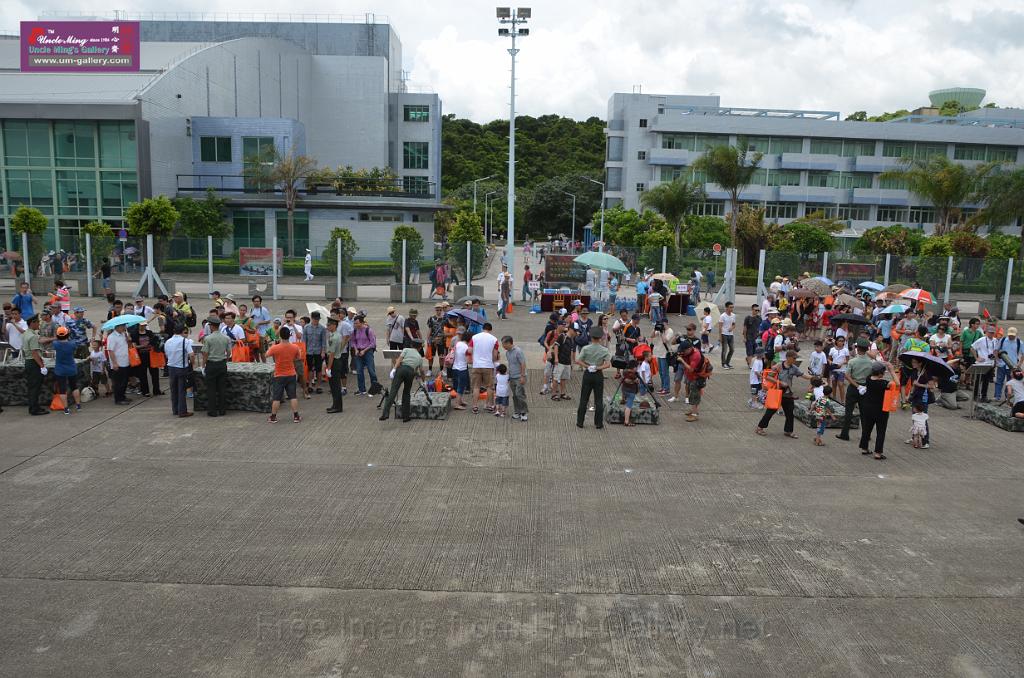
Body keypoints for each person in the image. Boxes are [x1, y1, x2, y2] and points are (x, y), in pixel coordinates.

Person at [755, 350, 808, 437]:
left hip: (788, 394)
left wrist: (814, 378)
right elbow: (768, 377)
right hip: (777, 392)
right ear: (788, 358)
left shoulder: (793, 368)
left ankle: (788, 431)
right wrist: (780, 382)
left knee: (790, 413)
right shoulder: (778, 366)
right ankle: (759, 428)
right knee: (770, 411)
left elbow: (803, 375)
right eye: (794, 358)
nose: (795, 360)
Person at [836, 339, 873, 441]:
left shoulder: (853, 361)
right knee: (864, 413)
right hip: (865, 388)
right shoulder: (871, 363)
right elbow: (871, 376)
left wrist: (857, 386)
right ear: (867, 349)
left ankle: (845, 434)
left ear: (857, 348)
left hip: (853, 388)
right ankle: (866, 435)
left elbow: (847, 376)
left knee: (849, 412)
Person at [859, 361, 897, 460]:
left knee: (867, 428)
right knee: (881, 431)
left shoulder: (868, 379)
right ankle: (878, 452)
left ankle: (864, 448)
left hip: (867, 408)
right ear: (881, 373)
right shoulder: (884, 383)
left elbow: (874, 376)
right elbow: (897, 383)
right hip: (881, 410)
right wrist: (892, 370)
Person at [576, 326, 611, 429]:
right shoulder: (604, 350)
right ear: (600, 338)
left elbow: (578, 360)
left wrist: (588, 366)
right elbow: (608, 364)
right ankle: (598, 423)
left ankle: (580, 422)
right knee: (598, 399)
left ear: (591, 337)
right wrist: (598, 367)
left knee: (584, 399)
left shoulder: (586, 348)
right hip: (598, 374)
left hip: (588, 374)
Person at [379, 344, 426, 422]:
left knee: (393, 392)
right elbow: (422, 371)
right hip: (410, 372)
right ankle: (406, 417)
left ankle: (385, 414)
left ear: (412, 345)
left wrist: (394, 369)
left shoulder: (406, 350)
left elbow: (399, 360)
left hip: (401, 370)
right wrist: (424, 382)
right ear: (420, 347)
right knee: (406, 394)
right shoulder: (419, 357)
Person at [266, 326, 302, 423]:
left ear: (280, 336)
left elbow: (266, 355)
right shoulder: (295, 347)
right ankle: (296, 416)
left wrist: (272, 345)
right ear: (290, 336)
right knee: (293, 396)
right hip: (291, 374)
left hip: (279, 375)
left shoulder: (275, 348)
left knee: (276, 397)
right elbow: (298, 357)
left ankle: (273, 417)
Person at [198, 315, 230, 417]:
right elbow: (229, 352)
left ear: (211, 326)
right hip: (222, 364)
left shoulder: (208, 338)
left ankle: (212, 411)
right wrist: (226, 360)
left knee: (211, 389)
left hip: (211, 365)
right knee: (222, 388)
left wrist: (203, 366)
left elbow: (205, 354)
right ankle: (222, 410)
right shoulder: (226, 338)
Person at [162, 323, 195, 417]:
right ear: (182, 331)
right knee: (181, 390)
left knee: (173, 390)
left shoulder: (168, 341)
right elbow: (191, 354)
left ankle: (175, 409)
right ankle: (182, 411)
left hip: (171, 367)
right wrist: (192, 363)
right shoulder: (185, 341)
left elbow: (167, 354)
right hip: (181, 367)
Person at [468, 322, 499, 413]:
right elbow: (495, 355)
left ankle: (475, 406)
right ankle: (489, 405)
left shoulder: (474, 337)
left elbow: (469, 350)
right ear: (491, 330)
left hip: (476, 365)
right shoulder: (494, 339)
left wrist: (474, 358)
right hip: (488, 365)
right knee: (489, 387)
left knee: (476, 387)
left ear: (482, 328)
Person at [21, 315, 48, 416]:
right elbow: (34, 353)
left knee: (32, 386)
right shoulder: (32, 336)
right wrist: (42, 366)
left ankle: (34, 406)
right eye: (37, 322)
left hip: (29, 362)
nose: (39, 324)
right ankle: (34, 409)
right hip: (33, 363)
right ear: (32, 323)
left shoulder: (25, 333)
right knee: (35, 387)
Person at [678, 340, 709, 422]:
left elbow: (691, 369)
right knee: (693, 393)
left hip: (697, 378)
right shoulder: (689, 352)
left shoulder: (696, 355)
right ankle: (693, 410)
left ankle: (694, 415)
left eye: (684, 350)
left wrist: (682, 360)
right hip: (692, 377)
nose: (682, 352)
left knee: (694, 395)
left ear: (689, 349)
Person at [351, 315, 380, 396]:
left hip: (368, 351)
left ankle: (374, 389)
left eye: (357, 323)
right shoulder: (354, 331)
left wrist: (364, 350)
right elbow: (353, 341)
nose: (355, 325)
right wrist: (356, 349)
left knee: (371, 370)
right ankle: (362, 389)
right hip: (358, 351)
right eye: (355, 323)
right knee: (359, 371)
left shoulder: (368, 330)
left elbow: (373, 343)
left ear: (362, 322)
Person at [502, 335, 528, 421]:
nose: (503, 346)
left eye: (504, 344)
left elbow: (523, 364)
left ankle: (523, 412)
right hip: (512, 376)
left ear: (509, 343)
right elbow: (510, 364)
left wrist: (523, 376)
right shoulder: (507, 352)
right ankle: (517, 411)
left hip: (519, 376)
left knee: (519, 394)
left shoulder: (518, 351)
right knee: (514, 396)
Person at [106, 322, 132, 405]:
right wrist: (114, 363)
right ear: (117, 327)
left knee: (124, 381)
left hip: (125, 361)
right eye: (123, 326)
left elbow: (128, 346)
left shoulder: (124, 334)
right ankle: (118, 399)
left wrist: (128, 340)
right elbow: (110, 350)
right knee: (118, 382)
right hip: (118, 363)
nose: (124, 328)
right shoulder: (112, 337)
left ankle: (123, 396)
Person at [971, 325, 998, 402]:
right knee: (978, 380)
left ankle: (984, 396)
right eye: (990, 332)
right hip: (982, 364)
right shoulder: (981, 340)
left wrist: (995, 358)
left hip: (990, 363)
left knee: (986, 381)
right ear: (986, 332)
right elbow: (972, 348)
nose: (991, 334)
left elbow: (996, 350)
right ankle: (976, 395)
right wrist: (976, 358)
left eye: (993, 333)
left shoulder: (995, 340)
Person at [994, 327, 1022, 401]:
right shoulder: (1002, 340)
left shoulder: (1019, 342)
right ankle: (997, 397)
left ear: (1016, 335)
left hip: (1013, 366)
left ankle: (1007, 398)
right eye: (1010, 335)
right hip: (1002, 364)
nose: (1011, 336)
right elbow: (996, 350)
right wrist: (997, 360)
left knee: (1010, 382)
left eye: (1012, 335)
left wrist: (1019, 363)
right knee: (999, 381)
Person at [719, 301, 736, 369]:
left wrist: (732, 328)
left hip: (731, 334)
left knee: (732, 349)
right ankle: (723, 364)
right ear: (726, 308)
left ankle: (727, 362)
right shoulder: (722, 316)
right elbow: (720, 327)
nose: (731, 309)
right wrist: (720, 337)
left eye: (732, 307)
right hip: (724, 334)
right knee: (724, 350)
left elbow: (734, 324)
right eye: (730, 307)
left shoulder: (733, 315)